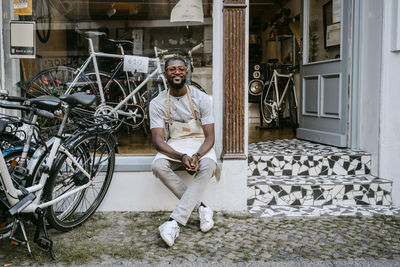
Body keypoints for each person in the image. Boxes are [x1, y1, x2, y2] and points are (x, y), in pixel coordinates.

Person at [149, 56, 219, 247]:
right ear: (165, 74)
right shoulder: (157, 103)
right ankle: (201, 208)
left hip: (199, 144)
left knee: (209, 165)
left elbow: (210, 138)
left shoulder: (202, 99)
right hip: (175, 145)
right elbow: (157, 140)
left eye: (181, 69)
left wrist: (196, 156)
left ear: (187, 72)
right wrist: (181, 156)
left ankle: (174, 223)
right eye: (172, 69)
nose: (177, 72)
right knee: (158, 165)